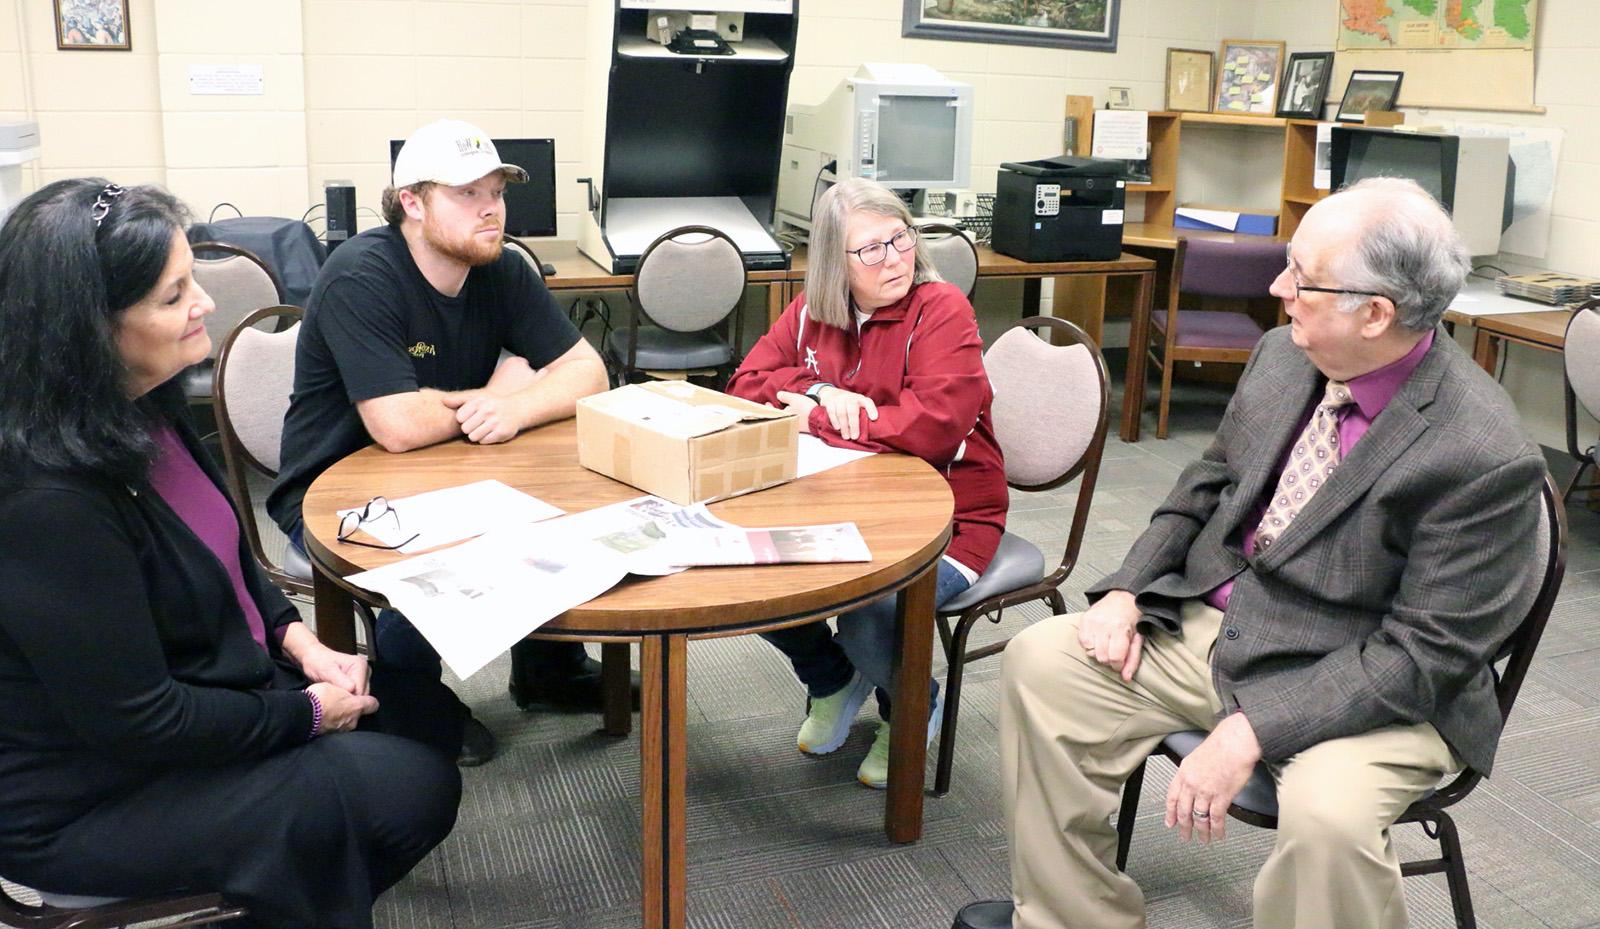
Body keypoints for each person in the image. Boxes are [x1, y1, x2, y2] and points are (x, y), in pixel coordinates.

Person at [951, 177, 1547, 929]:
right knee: (1045, 661)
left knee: (1329, 817)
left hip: (1376, 681)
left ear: (1376, 314)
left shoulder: (1481, 452)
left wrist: (1253, 727)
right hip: (1233, 623)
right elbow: (1206, 487)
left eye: (1302, 276)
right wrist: (1129, 590)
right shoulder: (1284, 355)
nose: (1277, 287)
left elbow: (1424, 656)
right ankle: (1074, 919)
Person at [0, 179, 460, 929]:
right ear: (90, 329)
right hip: (89, 794)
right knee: (407, 783)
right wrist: (307, 713)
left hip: (200, 685)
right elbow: (140, 722)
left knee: (422, 718)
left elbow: (227, 553)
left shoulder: (139, 402)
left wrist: (296, 636)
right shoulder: (43, 497)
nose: (205, 304)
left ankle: (290, 881)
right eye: (173, 294)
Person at [267, 119, 627, 767]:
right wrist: (500, 388)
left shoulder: (502, 269)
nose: (490, 207)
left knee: (563, 508)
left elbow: (589, 373)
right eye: (466, 194)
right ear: (412, 201)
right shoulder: (363, 275)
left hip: (450, 470)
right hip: (333, 489)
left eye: (496, 191)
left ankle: (546, 670)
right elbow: (397, 425)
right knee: (444, 557)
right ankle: (413, 697)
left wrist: (512, 404)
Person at [726, 177, 1008, 788]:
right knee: (742, 569)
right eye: (870, 250)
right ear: (834, 263)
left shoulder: (941, 309)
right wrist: (821, 389)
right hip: (837, 501)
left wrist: (818, 416)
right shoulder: (812, 314)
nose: (894, 260)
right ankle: (832, 677)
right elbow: (746, 384)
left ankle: (909, 704)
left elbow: (933, 427)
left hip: (950, 518)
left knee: (870, 613)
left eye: (900, 239)